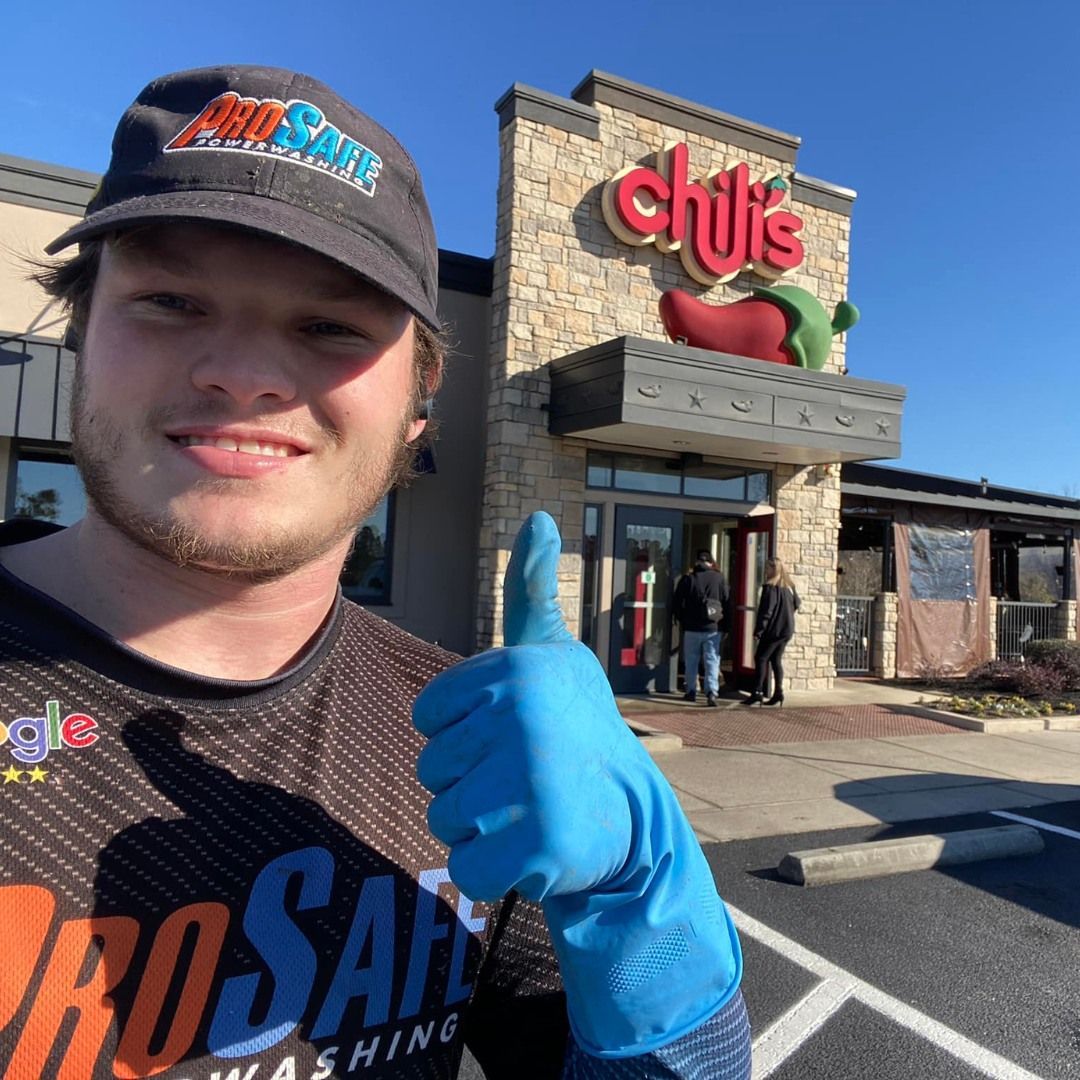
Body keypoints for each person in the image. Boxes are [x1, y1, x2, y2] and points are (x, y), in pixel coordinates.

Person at [0, 66, 750, 1078]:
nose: (246, 372)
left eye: (330, 326)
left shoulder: (462, 750)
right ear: (81, 334)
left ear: (417, 410)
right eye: (172, 299)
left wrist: (645, 924)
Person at [673, 549, 732, 707]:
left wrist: (682, 620)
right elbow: (727, 601)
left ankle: (691, 690)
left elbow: (677, 602)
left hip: (692, 627)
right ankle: (712, 692)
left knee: (691, 659)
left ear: (697, 562)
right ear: (711, 562)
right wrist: (726, 625)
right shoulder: (719, 578)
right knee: (712, 660)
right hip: (713, 627)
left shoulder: (688, 578)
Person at [743, 558, 801, 707]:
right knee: (776, 659)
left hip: (773, 630)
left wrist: (759, 631)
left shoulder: (770, 588)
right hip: (786, 630)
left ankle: (757, 692)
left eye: (767, 568)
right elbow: (797, 604)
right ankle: (778, 692)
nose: (765, 571)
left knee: (761, 658)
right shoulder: (789, 587)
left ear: (773, 570)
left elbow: (767, 611)